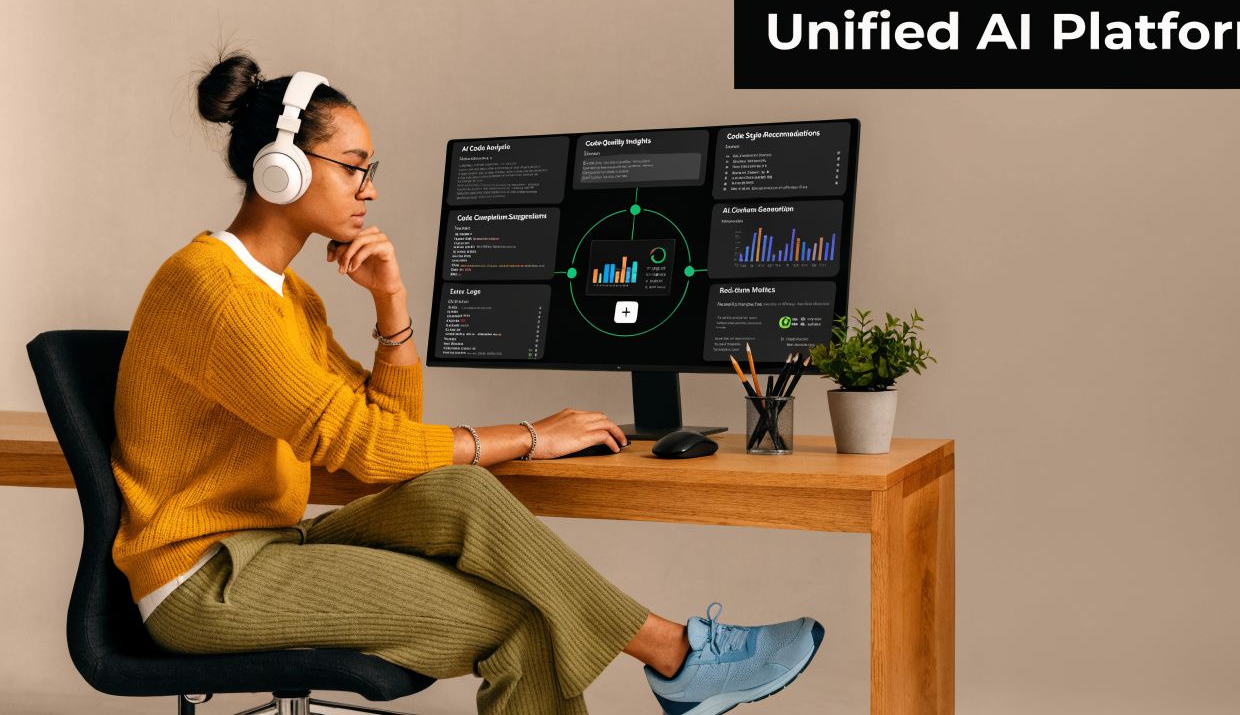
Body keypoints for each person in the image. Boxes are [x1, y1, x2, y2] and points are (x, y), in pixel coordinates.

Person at [109, 50, 824, 715]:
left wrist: (392, 308)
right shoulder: (213, 289)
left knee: (461, 489)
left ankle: (681, 659)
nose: (371, 186)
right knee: (523, 621)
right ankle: (676, 652)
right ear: (282, 170)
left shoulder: (289, 298)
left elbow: (384, 429)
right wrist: (531, 438)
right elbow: (363, 447)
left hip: (272, 547)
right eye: (354, 165)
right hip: (205, 582)